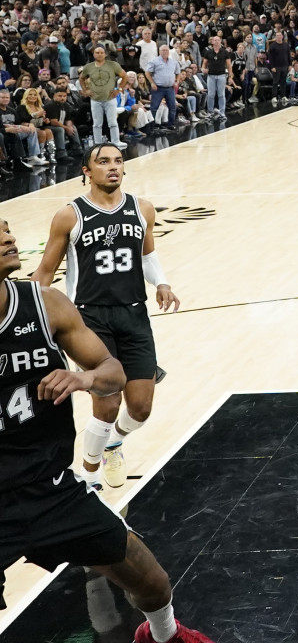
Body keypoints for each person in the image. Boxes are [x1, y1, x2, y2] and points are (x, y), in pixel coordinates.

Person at [0, 219, 213, 643]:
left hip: (53, 488)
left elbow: (112, 371)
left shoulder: (47, 304)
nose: (8, 237)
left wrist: (85, 378)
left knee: (152, 580)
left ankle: (165, 636)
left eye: (7, 228)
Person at [32, 143, 181, 491]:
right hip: (89, 319)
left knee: (141, 408)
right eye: (103, 162)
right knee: (108, 401)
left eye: (118, 161)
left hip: (134, 314)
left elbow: (146, 255)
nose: (112, 167)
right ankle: (88, 474)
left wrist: (161, 283)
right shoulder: (70, 215)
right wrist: (26, 311)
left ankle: (112, 443)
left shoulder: (142, 209)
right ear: (87, 171)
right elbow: (44, 272)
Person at [79, 45, 127, 149]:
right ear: (94, 54)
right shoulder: (88, 67)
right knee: (97, 123)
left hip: (110, 98)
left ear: (105, 54)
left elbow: (124, 76)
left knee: (113, 121)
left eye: (101, 52)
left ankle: (116, 141)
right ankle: (98, 143)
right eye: (97, 52)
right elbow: (81, 78)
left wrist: (119, 90)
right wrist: (85, 90)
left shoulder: (113, 65)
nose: (99, 54)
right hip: (95, 99)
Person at [201, 36, 233, 119]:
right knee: (211, 94)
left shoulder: (225, 52)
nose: (217, 41)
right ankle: (210, 112)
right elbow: (204, 63)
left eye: (218, 40)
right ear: (212, 42)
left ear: (221, 42)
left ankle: (222, 112)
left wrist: (230, 76)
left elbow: (229, 65)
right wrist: (203, 68)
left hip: (222, 75)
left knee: (221, 94)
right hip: (211, 75)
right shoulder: (208, 52)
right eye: (215, 40)